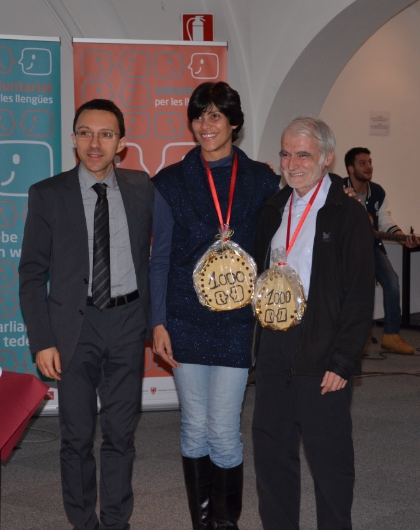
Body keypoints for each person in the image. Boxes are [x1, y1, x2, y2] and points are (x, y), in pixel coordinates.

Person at [149, 81, 280, 530]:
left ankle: (226, 523)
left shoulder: (263, 180)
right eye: (199, 116)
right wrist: (158, 323)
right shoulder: (169, 182)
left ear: (234, 123)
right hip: (184, 318)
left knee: (222, 429)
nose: (205, 125)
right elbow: (160, 259)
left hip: (237, 321)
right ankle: (202, 523)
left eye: (215, 116)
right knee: (193, 427)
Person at [19, 98, 154, 530]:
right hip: (72, 329)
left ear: (122, 143)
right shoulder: (47, 194)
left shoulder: (142, 187)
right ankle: (83, 522)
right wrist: (42, 340)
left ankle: (115, 522)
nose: (95, 144)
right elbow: (31, 274)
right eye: (86, 133)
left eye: (106, 134)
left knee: (121, 433)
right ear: (74, 139)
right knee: (76, 436)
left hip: (127, 323)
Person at [252, 117, 374, 529]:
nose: (292, 163)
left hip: (322, 349)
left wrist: (344, 361)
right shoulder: (273, 209)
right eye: (286, 154)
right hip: (274, 346)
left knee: (329, 461)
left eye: (303, 154)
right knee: (272, 455)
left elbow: (359, 295)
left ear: (327, 158)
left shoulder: (347, 214)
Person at [342, 147, 418, 355]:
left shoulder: (377, 191)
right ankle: (352, 336)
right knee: (352, 289)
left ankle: (392, 335)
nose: (369, 167)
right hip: (344, 249)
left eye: (369, 162)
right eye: (362, 163)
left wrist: (402, 237)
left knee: (391, 281)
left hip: (371, 246)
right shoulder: (339, 189)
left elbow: (385, 221)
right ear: (350, 168)